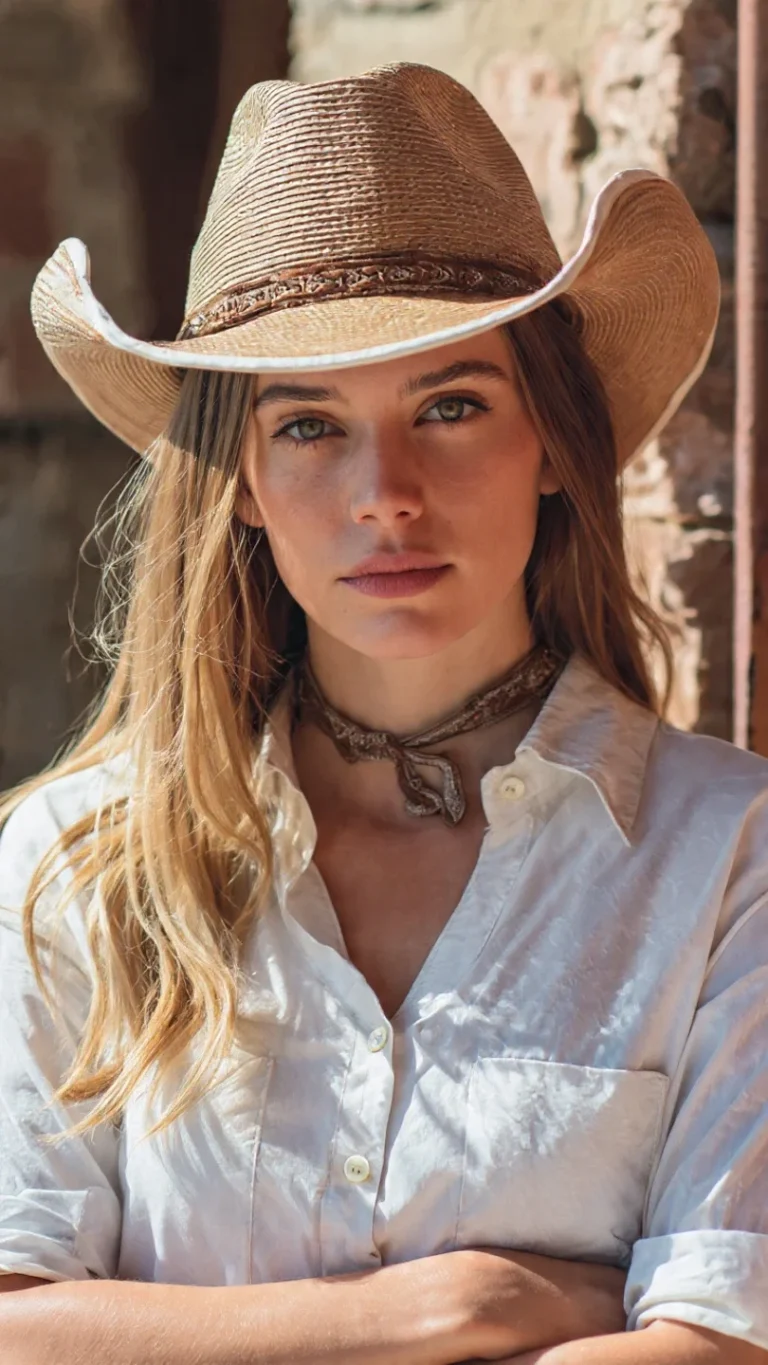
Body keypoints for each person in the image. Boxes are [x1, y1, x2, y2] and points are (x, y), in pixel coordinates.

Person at [0, 59, 766, 1365]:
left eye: (451, 406)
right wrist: (445, 1313)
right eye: (309, 426)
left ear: (552, 443)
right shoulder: (82, 861)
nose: (386, 494)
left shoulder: (727, 853)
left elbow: (719, 1339)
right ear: (242, 480)